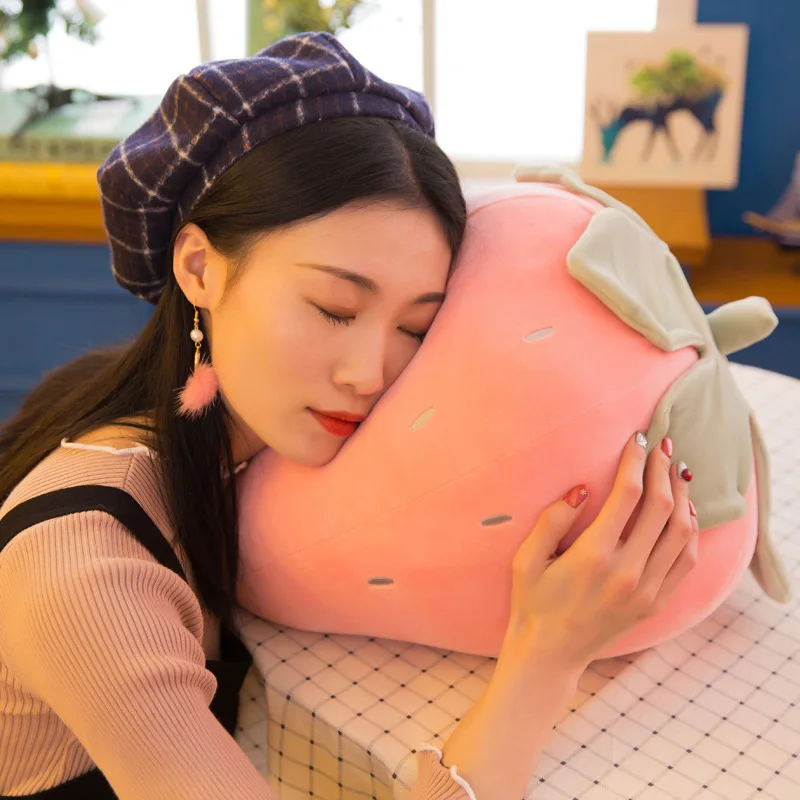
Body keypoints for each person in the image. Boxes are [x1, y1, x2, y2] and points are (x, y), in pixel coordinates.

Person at [0, 31, 698, 800]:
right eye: (335, 308)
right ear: (199, 268)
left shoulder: (222, 430)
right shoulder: (84, 569)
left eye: (414, 328)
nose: (371, 375)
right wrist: (548, 655)